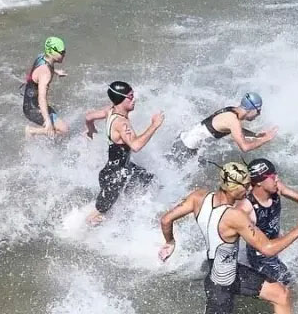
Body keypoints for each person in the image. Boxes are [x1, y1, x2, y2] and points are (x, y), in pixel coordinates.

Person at [147, 162, 298, 314]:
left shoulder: (198, 197)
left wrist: (170, 242)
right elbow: (268, 249)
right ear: (234, 188)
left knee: (281, 293)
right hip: (221, 282)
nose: (250, 189)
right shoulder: (234, 216)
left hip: (229, 268)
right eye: (246, 186)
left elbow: (166, 220)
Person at [83, 82, 164, 226]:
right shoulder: (122, 123)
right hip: (115, 177)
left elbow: (89, 117)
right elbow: (136, 146)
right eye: (130, 97)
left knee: (151, 180)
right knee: (97, 215)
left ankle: (148, 211)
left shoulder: (110, 111)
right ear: (120, 99)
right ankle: (81, 235)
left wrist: (90, 130)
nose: (134, 100)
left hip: (122, 170)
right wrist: (155, 125)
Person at [236, 158, 298, 286]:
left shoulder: (276, 189)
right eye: (271, 176)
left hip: (273, 247)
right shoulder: (246, 209)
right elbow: (263, 248)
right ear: (259, 182)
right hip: (260, 257)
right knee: (288, 283)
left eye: (275, 174)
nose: (277, 178)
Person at [171, 92, 275, 159]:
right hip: (185, 151)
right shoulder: (233, 121)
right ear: (251, 109)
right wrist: (265, 139)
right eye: (258, 111)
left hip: (182, 142)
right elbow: (245, 147)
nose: (259, 114)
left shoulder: (231, 110)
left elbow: (236, 131)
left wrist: (255, 136)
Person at [22, 36, 68, 137]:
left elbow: (42, 69)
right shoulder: (45, 74)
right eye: (62, 52)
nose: (64, 54)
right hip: (33, 108)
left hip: (29, 102)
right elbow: (42, 98)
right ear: (52, 51)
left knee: (59, 127)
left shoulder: (42, 57)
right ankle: (32, 131)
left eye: (64, 51)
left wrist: (56, 71)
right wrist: (47, 121)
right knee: (64, 130)